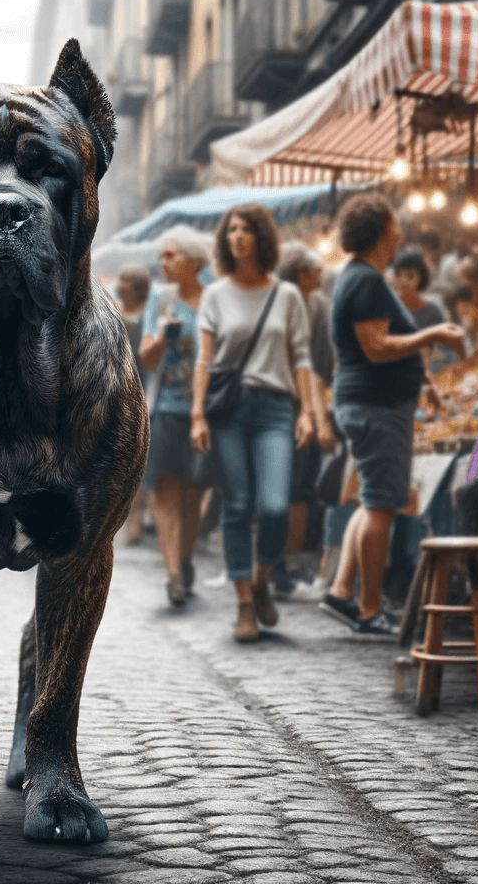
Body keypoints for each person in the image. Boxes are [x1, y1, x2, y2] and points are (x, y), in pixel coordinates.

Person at [321, 193, 465, 638]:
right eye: (393, 225)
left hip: (372, 405)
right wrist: (435, 334)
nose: (400, 231)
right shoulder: (366, 280)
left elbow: (385, 342)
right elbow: (376, 347)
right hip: (376, 407)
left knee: (372, 501)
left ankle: (343, 592)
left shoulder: (364, 277)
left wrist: (425, 384)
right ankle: (368, 610)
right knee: (383, 506)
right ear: (380, 230)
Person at [191, 203, 319, 642]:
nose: (237, 236)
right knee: (238, 505)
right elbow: (205, 359)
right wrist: (196, 416)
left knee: (275, 507)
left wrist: (307, 411)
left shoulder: (286, 296)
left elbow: (301, 356)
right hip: (227, 411)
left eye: (246, 229)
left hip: (276, 409)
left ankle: (262, 577)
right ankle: (245, 601)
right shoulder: (215, 295)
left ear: (262, 238)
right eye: (231, 230)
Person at [139, 226, 210, 606]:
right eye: (162, 256)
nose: (163, 263)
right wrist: (164, 336)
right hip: (166, 409)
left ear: (195, 261)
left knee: (193, 493)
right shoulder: (161, 299)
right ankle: (173, 575)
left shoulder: (213, 300)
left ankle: (184, 560)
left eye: (171, 256)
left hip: (205, 414)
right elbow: (146, 358)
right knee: (166, 491)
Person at [273, 242, 337, 599]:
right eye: (316, 270)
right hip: (295, 405)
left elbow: (319, 364)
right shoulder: (303, 305)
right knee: (293, 489)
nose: (322, 274)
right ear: (301, 273)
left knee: (290, 489)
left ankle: (279, 564)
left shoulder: (314, 304)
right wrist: (316, 414)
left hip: (286, 403)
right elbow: (315, 366)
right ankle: (281, 565)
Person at [117, 264, 153, 545]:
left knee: (141, 459)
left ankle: (136, 521)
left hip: (146, 389)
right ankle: (129, 518)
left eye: (126, 279)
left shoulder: (149, 316)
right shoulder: (113, 311)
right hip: (117, 393)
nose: (120, 283)